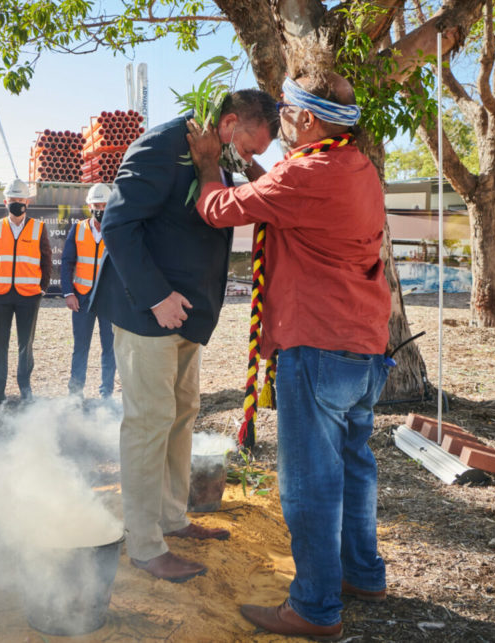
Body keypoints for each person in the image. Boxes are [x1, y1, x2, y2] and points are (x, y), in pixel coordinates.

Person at [186, 72, 392, 640]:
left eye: (286, 113)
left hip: (317, 344)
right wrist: (257, 171)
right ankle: (362, 573)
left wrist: (210, 162)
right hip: (363, 346)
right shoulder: (357, 167)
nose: (279, 123)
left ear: (307, 119)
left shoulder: (306, 174)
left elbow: (220, 208)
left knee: (309, 481)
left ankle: (315, 607)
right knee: (354, 464)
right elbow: (284, 193)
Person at [92, 89, 278, 583]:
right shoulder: (163, 145)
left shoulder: (215, 155)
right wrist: (157, 296)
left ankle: (171, 518)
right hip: (148, 312)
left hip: (186, 316)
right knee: (149, 422)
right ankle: (144, 544)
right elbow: (118, 223)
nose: (252, 158)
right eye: (253, 147)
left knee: (181, 415)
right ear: (230, 121)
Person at [0, 179, 51, 407]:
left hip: (29, 295)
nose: (16, 204)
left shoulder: (38, 228)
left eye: (20, 200)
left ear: (27, 202)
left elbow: (47, 260)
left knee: (25, 344)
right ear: (5, 202)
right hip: (0, 294)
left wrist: (42, 288)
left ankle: (25, 392)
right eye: (12, 201)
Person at [60, 182, 115, 400]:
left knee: (109, 349)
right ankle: (75, 394)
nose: (100, 209)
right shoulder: (78, 228)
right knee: (80, 347)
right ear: (89, 206)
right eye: (96, 205)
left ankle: (106, 394)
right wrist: (68, 292)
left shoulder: (116, 229)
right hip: (81, 298)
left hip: (109, 299)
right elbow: (67, 262)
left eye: (104, 205)